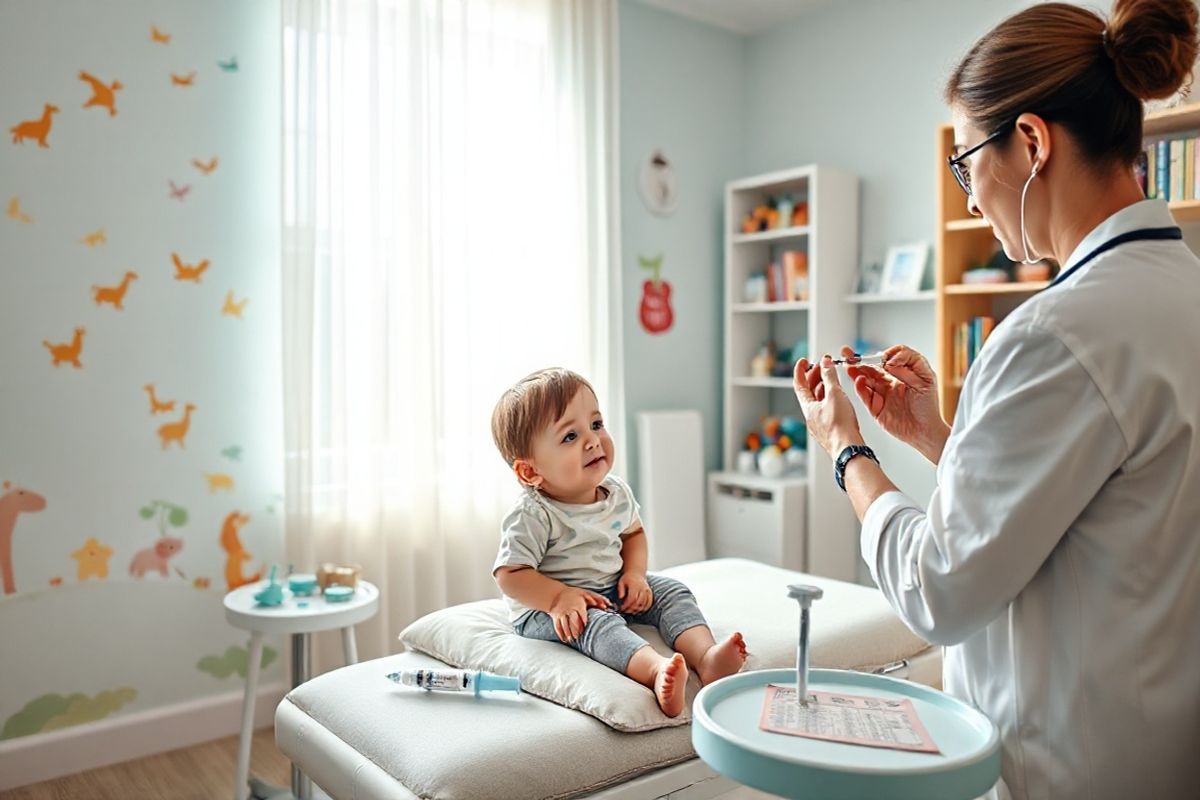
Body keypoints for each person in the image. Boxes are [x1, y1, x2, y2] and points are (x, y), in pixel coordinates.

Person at [792, 1, 1200, 798]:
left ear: (1033, 142)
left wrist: (850, 453)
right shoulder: (1178, 294)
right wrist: (941, 438)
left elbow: (938, 589)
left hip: (1064, 766)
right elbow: (1101, 506)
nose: (971, 199)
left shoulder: (1053, 333)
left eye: (964, 162)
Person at [490, 368, 747, 717]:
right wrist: (558, 598)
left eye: (596, 425)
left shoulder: (615, 492)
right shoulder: (534, 514)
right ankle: (655, 671)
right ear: (530, 472)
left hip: (610, 586)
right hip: (547, 608)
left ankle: (705, 656)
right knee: (595, 624)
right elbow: (510, 574)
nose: (593, 440)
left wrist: (636, 574)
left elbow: (633, 535)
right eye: (569, 436)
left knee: (671, 590)